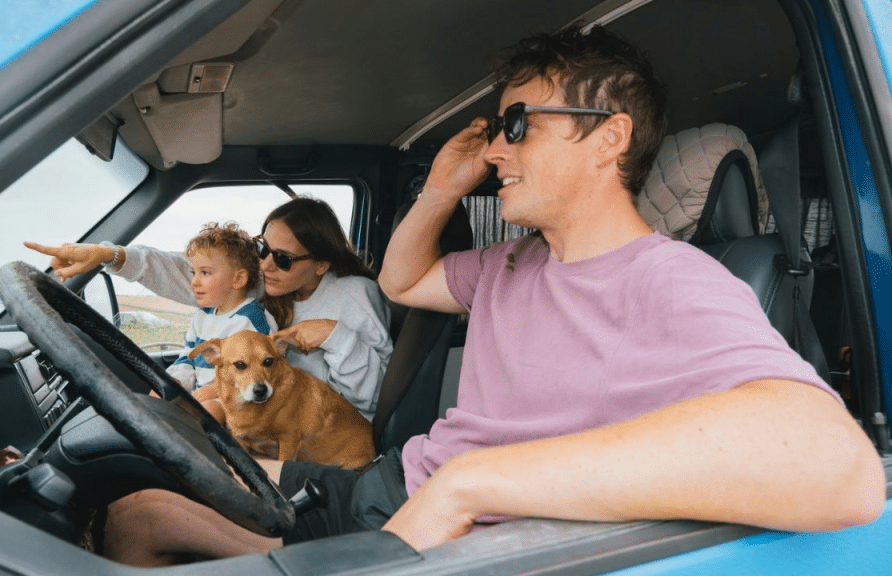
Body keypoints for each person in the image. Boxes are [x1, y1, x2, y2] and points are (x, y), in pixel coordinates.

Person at [95, 24, 886, 566]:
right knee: (150, 484)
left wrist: (474, 483)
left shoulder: (671, 278)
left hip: (447, 532)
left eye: (519, 124)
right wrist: (440, 187)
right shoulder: (513, 262)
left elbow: (838, 468)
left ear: (608, 137)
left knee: (139, 521)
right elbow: (401, 280)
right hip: (393, 480)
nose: (498, 147)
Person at [25, 197, 392, 421]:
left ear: (322, 264)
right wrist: (110, 255)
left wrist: (335, 336)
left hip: (316, 432)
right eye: (263, 249)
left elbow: (375, 399)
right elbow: (201, 275)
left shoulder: (354, 295)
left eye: (282, 259)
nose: (265, 266)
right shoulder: (273, 283)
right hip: (258, 415)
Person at [163, 222, 274, 399]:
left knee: (209, 407)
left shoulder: (252, 320)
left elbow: (266, 369)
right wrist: (177, 380)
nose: (194, 282)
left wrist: (213, 391)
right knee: (158, 394)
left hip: (237, 398)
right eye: (194, 272)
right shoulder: (201, 318)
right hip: (199, 394)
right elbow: (188, 358)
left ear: (238, 279)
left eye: (205, 273)